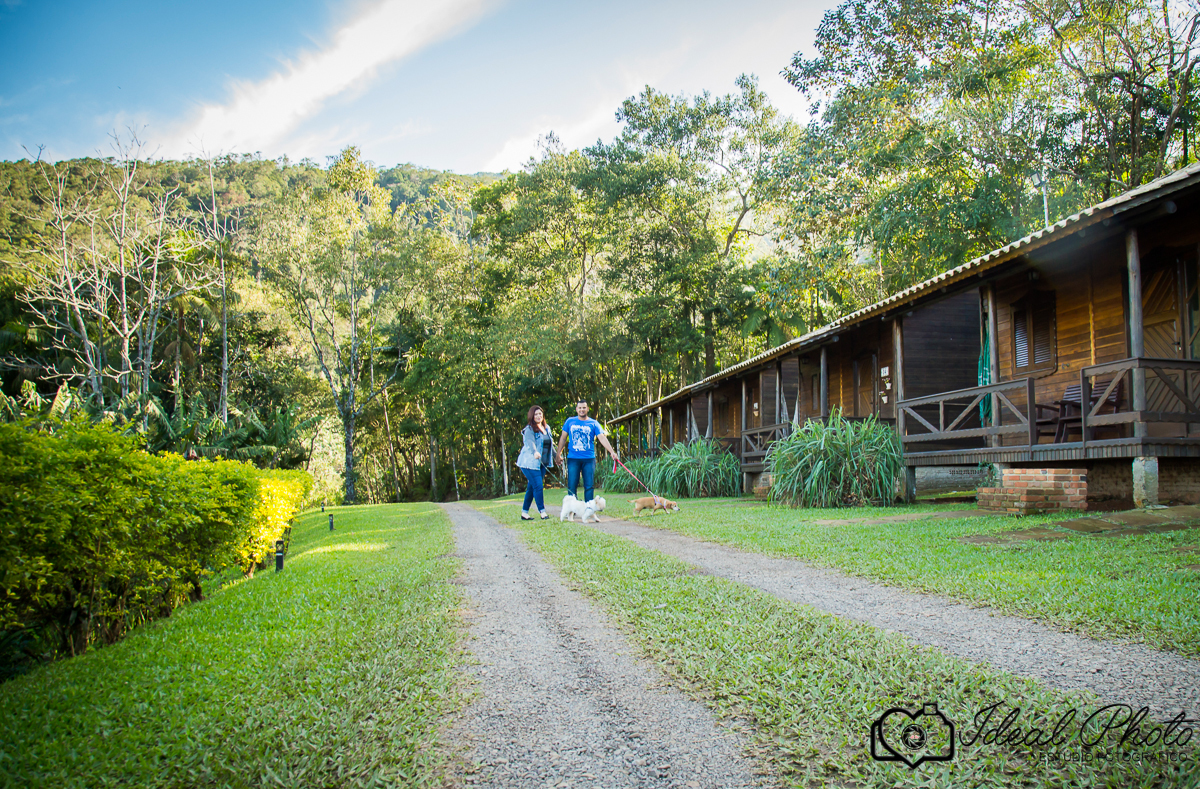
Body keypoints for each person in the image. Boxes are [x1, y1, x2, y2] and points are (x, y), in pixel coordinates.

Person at [557, 400, 619, 503]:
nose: (582, 410)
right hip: (573, 458)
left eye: (584, 408)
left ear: (587, 409)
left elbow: (602, 438)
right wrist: (558, 454)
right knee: (572, 485)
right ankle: (571, 510)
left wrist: (612, 452)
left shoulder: (594, 423)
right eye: (580, 408)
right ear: (576, 409)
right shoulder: (569, 421)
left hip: (589, 459)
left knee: (589, 486)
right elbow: (563, 439)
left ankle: (589, 508)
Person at [516, 404, 556, 520]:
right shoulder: (529, 429)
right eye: (536, 414)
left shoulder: (546, 428)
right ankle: (542, 512)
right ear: (532, 416)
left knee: (532, 487)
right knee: (538, 486)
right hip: (529, 463)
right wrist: (534, 452)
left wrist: (556, 456)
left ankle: (524, 512)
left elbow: (550, 445)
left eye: (540, 414)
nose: (538, 416)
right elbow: (530, 441)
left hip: (542, 463)